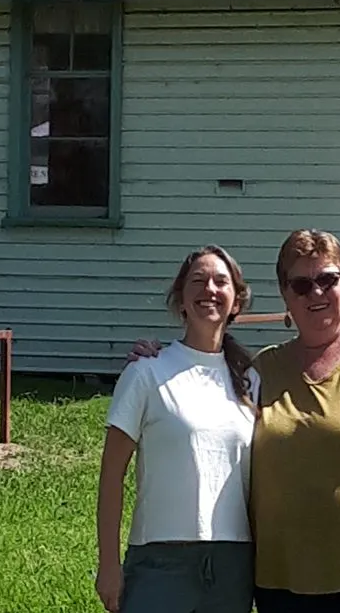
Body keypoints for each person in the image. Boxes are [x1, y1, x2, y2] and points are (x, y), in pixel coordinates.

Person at [128, 229, 340, 613]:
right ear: (286, 296)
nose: (316, 293)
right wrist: (158, 360)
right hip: (285, 585)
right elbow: (203, 379)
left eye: (327, 279)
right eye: (301, 285)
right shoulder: (262, 370)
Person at [96, 245, 260, 613]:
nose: (210, 290)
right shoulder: (146, 373)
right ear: (181, 300)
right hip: (160, 561)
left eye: (221, 282)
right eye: (198, 281)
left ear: (236, 301)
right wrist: (108, 563)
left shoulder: (251, 380)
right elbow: (111, 475)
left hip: (232, 564)